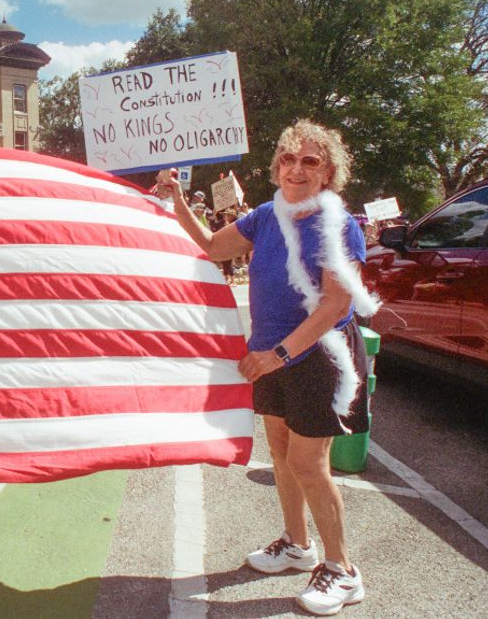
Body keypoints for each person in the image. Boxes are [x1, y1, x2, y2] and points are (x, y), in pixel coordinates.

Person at [156, 120, 378, 616]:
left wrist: (278, 354)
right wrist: (175, 198)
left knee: (309, 464)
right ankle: (297, 546)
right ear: (277, 166)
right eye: (288, 159)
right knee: (279, 454)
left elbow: (337, 306)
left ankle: (343, 570)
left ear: (328, 173)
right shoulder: (264, 216)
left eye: (310, 161)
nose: (296, 169)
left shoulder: (338, 225)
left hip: (318, 358)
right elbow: (213, 247)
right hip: (272, 359)